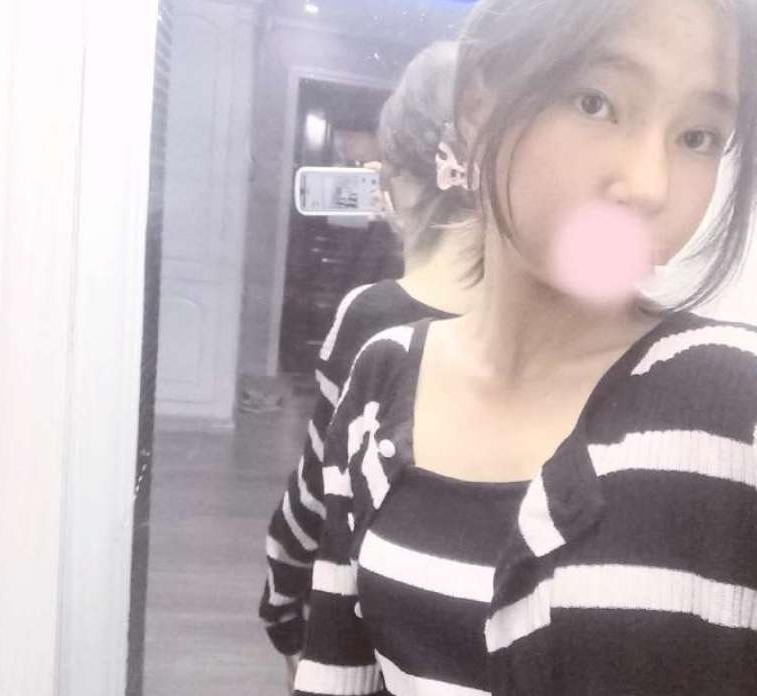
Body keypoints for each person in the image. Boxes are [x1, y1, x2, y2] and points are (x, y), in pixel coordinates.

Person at [293, 1, 757, 695]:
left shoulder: (736, 407)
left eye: (697, 136)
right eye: (595, 102)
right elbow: (335, 671)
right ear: (478, 107)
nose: (648, 186)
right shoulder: (382, 376)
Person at [258, 41, 482, 692]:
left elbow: (315, 498)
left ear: (395, 180)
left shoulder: (372, 317)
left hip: (383, 642)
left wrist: (281, 612)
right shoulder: (548, 324)